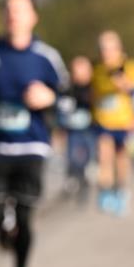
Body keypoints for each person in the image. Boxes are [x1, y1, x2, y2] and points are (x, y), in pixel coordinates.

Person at [0, 0, 67, 267]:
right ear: (2, 16)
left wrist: (49, 97)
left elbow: (70, 96)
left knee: (25, 215)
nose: (14, 15)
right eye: (9, 10)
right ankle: (4, 231)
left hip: (31, 147)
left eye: (20, 10)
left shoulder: (46, 57)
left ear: (33, 16)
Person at [91, 30, 134, 216]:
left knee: (121, 158)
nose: (106, 52)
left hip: (123, 121)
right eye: (103, 48)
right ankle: (105, 193)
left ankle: (121, 190)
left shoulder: (128, 65)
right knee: (104, 155)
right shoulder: (96, 68)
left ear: (118, 48)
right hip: (103, 121)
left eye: (110, 48)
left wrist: (122, 81)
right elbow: (92, 93)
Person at [56, 56, 95, 204]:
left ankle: (88, 173)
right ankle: (72, 176)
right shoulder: (67, 88)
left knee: (90, 154)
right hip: (72, 129)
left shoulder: (94, 87)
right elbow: (61, 108)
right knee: (72, 155)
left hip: (90, 129)